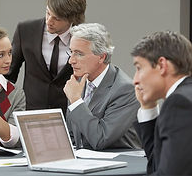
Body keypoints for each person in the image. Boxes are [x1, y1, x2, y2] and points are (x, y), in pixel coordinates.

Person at [5, 0, 86, 114]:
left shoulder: (84, 38)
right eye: (48, 13)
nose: (49, 21)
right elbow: (9, 74)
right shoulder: (25, 30)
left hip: (69, 116)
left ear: (72, 19)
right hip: (30, 113)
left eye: (56, 18)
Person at [63, 23, 141, 150]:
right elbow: (73, 137)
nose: (71, 60)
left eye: (79, 54)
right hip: (84, 163)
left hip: (120, 166)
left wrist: (76, 101)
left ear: (101, 57)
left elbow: (101, 139)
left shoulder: (127, 90)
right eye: (71, 52)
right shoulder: (78, 84)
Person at [132, 31, 192, 175]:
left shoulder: (179, 104)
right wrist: (148, 107)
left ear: (162, 65)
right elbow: (158, 164)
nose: (135, 80)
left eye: (139, 68)